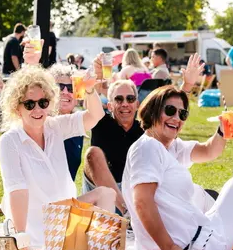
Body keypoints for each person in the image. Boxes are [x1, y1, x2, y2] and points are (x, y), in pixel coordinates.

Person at [122, 85, 233, 250]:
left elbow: (208, 151)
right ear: (152, 111)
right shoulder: (148, 147)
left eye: (182, 114)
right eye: (170, 111)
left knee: (198, 192)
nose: (176, 118)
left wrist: (223, 131)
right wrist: (171, 249)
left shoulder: (170, 146)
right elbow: (142, 201)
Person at [0, 63, 116, 250]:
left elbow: (95, 115)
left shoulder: (55, 126)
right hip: (36, 227)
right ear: (17, 108)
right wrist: (20, 238)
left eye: (43, 103)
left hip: (65, 215)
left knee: (106, 194)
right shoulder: (10, 141)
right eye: (29, 104)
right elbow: (17, 192)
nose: (37, 109)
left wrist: (89, 88)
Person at [84, 55, 208, 214]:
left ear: (137, 104)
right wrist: (93, 83)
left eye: (130, 99)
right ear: (110, 105)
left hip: (135, 191)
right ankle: (126, 213)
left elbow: (170, 112)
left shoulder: (144, 128)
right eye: (119, 99)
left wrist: (188, 84)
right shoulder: (101, 122)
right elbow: (92, 103)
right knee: (93, 153)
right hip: (103, 193)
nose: (125, 104)